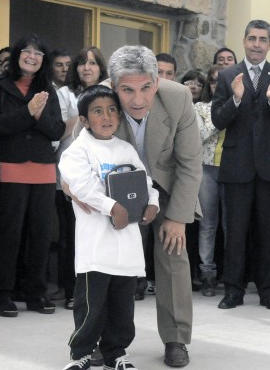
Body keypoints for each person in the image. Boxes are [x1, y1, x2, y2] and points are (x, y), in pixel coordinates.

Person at [71, 45, 202, 368]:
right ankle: (104, 341)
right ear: (114, 86)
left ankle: (176, 338)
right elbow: (76, 152)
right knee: (106, 264)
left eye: (146, 87)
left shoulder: (178, 97)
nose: (138, 99)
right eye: (127, 90)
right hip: (114, 189)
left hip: (167, 186)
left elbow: (189, 163)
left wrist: (178, 218)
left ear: (157, 81)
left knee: (174, 252)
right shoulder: (99, 99)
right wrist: (69, 187)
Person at [59, 85, 159, 370]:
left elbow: (145, 183)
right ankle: (81, 354)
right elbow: (83, 188)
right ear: (84, 119)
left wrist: (153, 203)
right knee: (90, 306)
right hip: (96, 245)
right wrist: (112, 207)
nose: (107, 117)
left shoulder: (125, 149)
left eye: (112, 110)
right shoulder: (77, 151)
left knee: (122, 307)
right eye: (98, 111)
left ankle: (116, 353)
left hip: (126, 245)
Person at [212, 19, 270, 312]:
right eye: (252, 39)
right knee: (235, 232)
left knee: (269, 232)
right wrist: (235, 100)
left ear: (269, 43)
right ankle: (233, 290)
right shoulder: (227, 75)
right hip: (237, 166)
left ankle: (269, 291)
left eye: (262, 39)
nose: (257, 44)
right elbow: (217, 120)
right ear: (244, 41)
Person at [0, 33, 65, 318]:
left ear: (44, 61)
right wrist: (27, 112)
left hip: (42, 170)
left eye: (38, 53)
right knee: (10, 234)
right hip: (10, 168)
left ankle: (35, 293)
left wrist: (38, 116)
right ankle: (3, 294)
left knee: (41, 236)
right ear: (17, 55)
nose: (32, 56)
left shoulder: (49, 90)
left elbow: (56, 130)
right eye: (27, 51)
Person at [54, 46, 108, 310]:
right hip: (72, 176)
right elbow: (57, 133)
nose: (87, 67)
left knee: (102, 234)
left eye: (93, 63)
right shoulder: (64, 94)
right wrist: (83, 116)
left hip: (103, 177)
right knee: (71, 236)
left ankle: (100, 290)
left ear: (101, 68)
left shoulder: (110, 94)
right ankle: (72, 291)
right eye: (82, 63)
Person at [194, 63, 226, 297]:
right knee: (208, 224)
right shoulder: (201, 108)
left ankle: (231, 272)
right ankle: (207, 274)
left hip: (233, 170)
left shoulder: (241, 105)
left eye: (222, 80)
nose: (217, 84)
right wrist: (224, 113)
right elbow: (202, 135)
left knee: (231, 226)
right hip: (207, 170)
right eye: (213, 80)